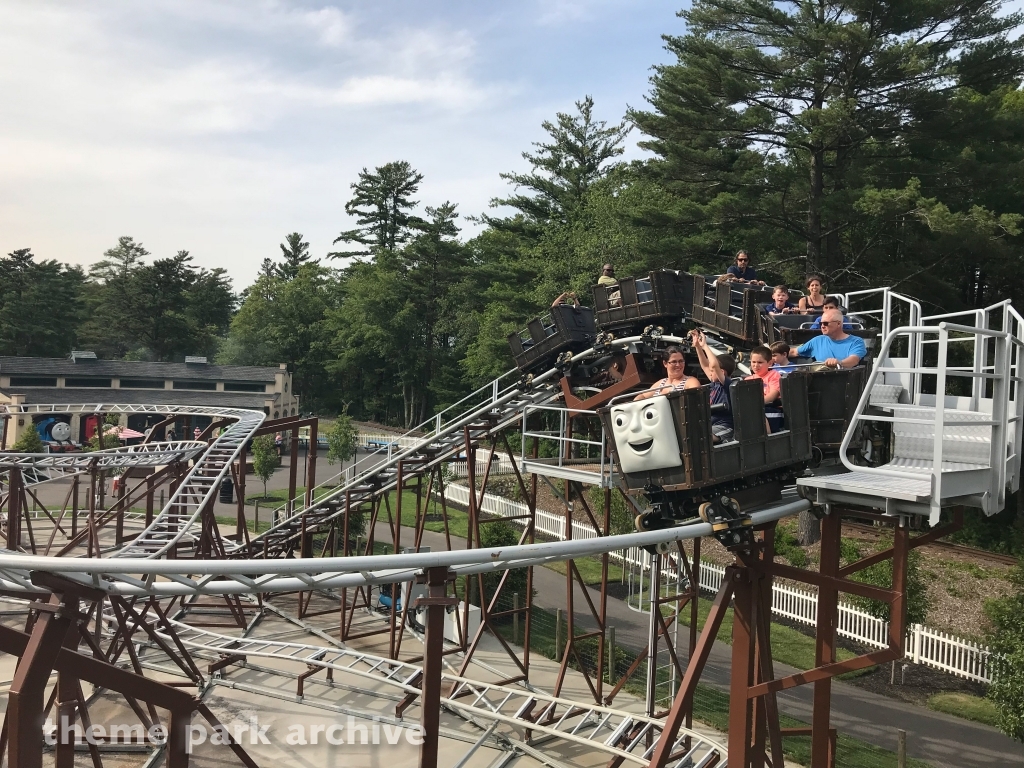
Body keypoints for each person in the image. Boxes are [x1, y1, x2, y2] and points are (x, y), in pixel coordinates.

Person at [690, 330, 736, 442]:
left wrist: (705, 346)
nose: (709, 372)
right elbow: (705, 365)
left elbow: (714, 365)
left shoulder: (726, 384)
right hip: (711, 425)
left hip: (724, 427)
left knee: (702, 436)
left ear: (722, 372)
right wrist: (697, 347)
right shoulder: (714, 383)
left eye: (712, 371)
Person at [788, 309, 867, 369]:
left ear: (838, 323)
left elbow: (854, 360)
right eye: (821, 323)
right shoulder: (817, 340)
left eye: (826, 323)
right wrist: (776, 356)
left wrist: (839, 362)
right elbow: (794, 352)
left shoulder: (856, 342)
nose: (822, 326)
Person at [635, 346, 701, 399]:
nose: (678, 365)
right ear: (665, 363)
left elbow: (695, 399)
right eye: (674, 362)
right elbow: (642, 396)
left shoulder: (690, 381)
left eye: (681, 361)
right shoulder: (661, 383)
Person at [747, 345, 784, 432]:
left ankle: (768, 440)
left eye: (760, 362)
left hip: (772, 410)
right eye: (753, 362)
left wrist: (755, 404)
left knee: (755, 412)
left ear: (770, 363)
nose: (756, 365)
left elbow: (772, 396)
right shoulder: (747, 379)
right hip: (754, 409)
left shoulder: (774, 375)